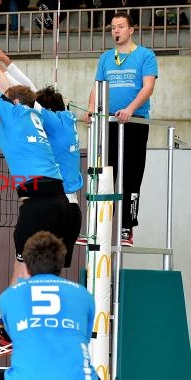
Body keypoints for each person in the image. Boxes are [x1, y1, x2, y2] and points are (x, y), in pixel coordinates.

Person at [0, 39, 83, 358]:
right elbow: (26, 89)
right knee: (40, 274)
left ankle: (8, 327)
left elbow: (22, 90)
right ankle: (4, 324)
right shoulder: (65, 121)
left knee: (25, 271)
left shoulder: (35, 118)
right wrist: (1, 61)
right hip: (69, 206)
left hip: (44, 201)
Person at [83, 12, 158, 247]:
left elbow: (148, 88)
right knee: (105, 175)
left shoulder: (146, 55)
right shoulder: (106, 58)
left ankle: (127, 227)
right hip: (109, 124)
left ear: (131, 30)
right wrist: (90, 108)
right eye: (113, 27)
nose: (116, 31)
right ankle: (98, 227)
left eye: (121, 27)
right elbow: (98, 86)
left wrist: (129, 109)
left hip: (134, 122)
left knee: (132, 176)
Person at [0, 231, 99, 380]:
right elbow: (84, 336)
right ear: (60, 265)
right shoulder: (84, 295)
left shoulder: (8, 297)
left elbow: (14, 336)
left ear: (26, 267)